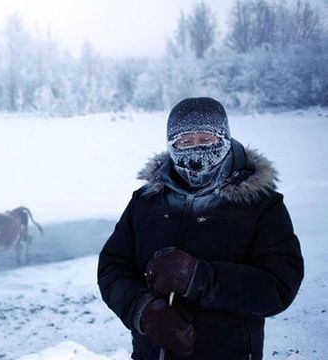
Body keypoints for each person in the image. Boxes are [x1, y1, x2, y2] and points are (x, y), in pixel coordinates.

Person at [97, 97, 303, 359]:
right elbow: (112, 267)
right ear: (171, 146)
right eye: (184, 141)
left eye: (206, 139)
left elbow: (278, 286)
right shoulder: (145, 202)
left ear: (224, 139)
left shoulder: (261, 205)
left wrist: (200, 278)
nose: (196, 150)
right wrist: (143, 311)